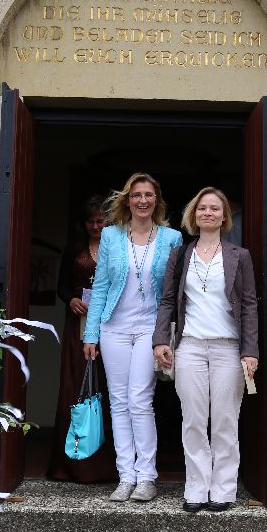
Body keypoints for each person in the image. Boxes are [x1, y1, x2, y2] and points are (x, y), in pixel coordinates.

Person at [153, 187, 258, 513]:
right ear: (194, 215)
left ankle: (223, 489)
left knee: (225, 421)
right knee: (194, 421)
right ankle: (196, 488)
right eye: (202, 209)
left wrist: (250, 350)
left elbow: (250, 306)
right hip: (191, 347)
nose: (208, 213)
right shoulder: (180, 255)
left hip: (228, 348)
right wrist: (160, 340)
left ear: (224, 216)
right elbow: (168, 301)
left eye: (215, 208)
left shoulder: (239, 256)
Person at [83, 173, 182, 502]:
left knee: (140, 400)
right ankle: (125, 475)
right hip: (113, 328)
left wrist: (171, 333)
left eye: (148, 195)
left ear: (156, 200)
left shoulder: (171, 238)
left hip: (149, 330)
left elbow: (176, 291)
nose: (142, 200)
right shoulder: (111, 236)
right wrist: (91, 333)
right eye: (136, 195)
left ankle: (147, 476)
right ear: (128, 200)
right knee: (119, 402)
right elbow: (99, 288)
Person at [48, 196, 117, 483]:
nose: (95, 226)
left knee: (109, 384)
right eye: (91, 221)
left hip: (111, 320)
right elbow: (60, 286)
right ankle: (73, 463)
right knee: (75, 384)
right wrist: (71, 298)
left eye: (100, 220)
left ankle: (111, 464)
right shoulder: (74, 249)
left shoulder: (117, 246)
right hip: (78, 322)